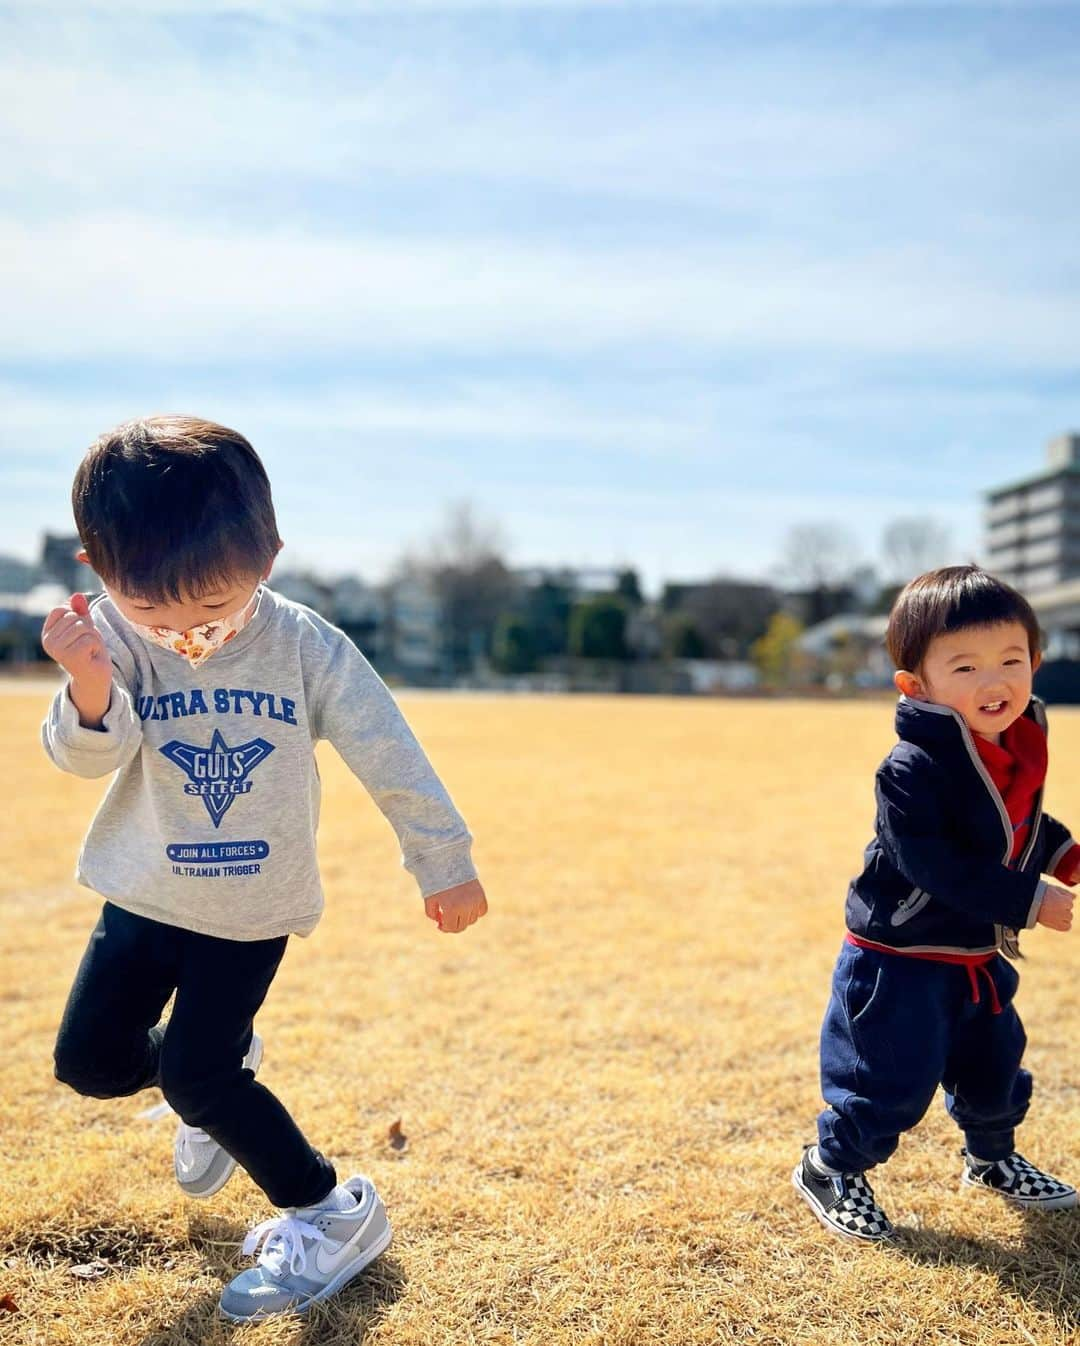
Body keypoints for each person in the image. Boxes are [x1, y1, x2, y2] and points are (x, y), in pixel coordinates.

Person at [40, 415, 488, 1320]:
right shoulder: (113, 639)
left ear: (269, 553)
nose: (185, 631)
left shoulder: (307, 646)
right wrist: (89, 684)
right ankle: (220, 1069)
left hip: (249, 909)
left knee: (197, 1080)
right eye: (154, 608)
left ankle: (329, 1212)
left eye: (211, 605)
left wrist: (442, 860)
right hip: (139, 897)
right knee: (90, 1062)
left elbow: (387, 750)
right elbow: (88, 756)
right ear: (98, 570)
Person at [793, 564, 1077, 1242]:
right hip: (900, 956)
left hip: (973, 952)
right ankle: (831, 1166)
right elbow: (934, 863)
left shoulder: (1014, 745)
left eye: (1011, 660)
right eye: (966, 667)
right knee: (888, 1075)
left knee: (995, 1063)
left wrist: (1065, 856)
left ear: (1036, 662)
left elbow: (1020, 826)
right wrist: (1028, 897)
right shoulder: (911, 768)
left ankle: (991, 1158)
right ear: (915, 686)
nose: (995, 682)